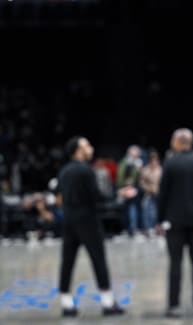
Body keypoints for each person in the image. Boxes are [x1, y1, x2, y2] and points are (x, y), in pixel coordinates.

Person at [56, 136, 124, 317]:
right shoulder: (86, 171)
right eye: (87, 145)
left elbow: (59, 196)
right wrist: (118, 195)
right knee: (98, 260)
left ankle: (66, 303)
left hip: (69, 220)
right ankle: (108, 303)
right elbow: (97, 196)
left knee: (67, 262)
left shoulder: (64, 171)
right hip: (88, 220)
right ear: (78, 151)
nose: (91, 148)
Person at [156, 128, 193, 318]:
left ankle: (174, 306)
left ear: (178, 142)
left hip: (175, 220)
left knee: (176, 263)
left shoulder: (170, 163)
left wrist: (159, 220)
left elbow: (163, 195)